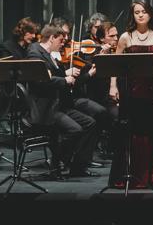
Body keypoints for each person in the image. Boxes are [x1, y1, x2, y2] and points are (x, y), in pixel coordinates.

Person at [26, 24, 102, 178]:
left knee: (91, 123)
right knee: (75, 130)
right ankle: (58, 164)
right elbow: (40, 81)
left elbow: (55, 76)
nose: (63, 44)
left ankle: (78, 167)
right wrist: (65, 80)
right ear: (52, 38)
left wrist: (68, 75)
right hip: (45, 108)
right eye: (61, 40)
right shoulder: (35, 54)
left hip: (59, 105)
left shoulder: (49, 54)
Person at [108, 0, 153, 187]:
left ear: (150, 14)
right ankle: (127, 175)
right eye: (136, 12)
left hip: (150, 91)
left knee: (150, 132)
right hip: (130, 92)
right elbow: (115, 65)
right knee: (130, 133)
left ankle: (149, 176)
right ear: (132, 15)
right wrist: (113, 85)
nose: (140, 15)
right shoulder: (125, 37)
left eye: (143, 11)